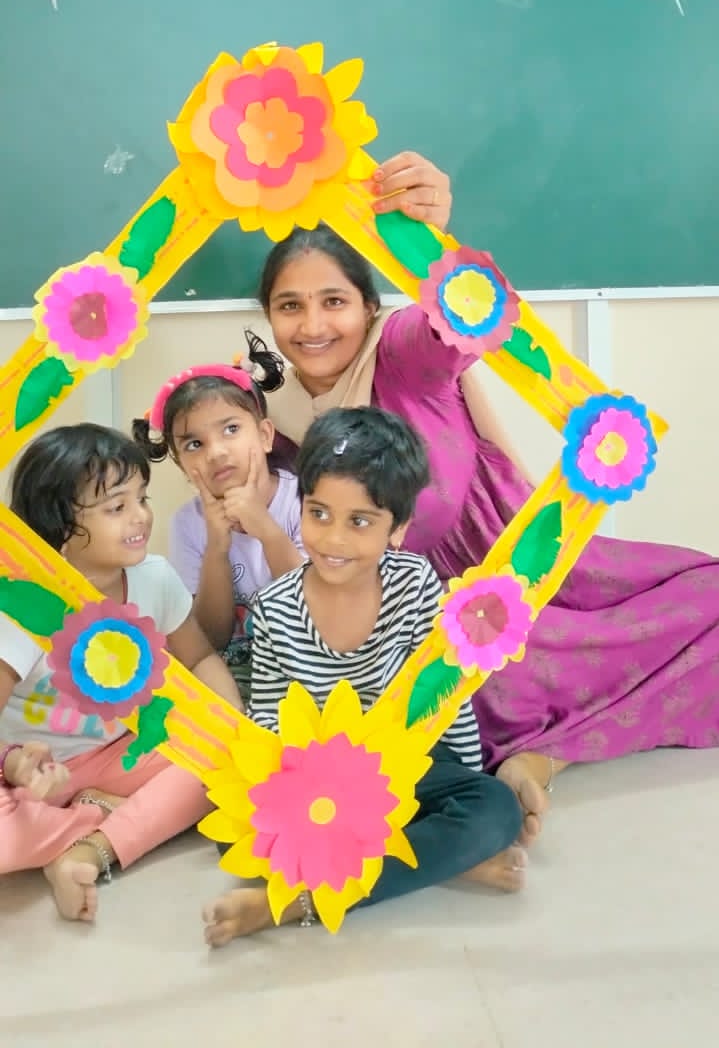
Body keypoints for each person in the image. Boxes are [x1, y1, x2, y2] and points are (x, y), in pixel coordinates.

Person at [254, 172, 719, 846]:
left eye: (334, 301)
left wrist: (432, 244)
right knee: (478, 699)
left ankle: (546, 755)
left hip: (528, 565)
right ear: (268, 317)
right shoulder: (278, 422)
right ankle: (542, 753)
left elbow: (452, 323)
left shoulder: (401, 352)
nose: (313, 326)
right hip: (434, 623)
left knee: (707, 597)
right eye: (289, 306)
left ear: (369, 306)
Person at [203, 407, 524, 946]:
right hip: (318, 785)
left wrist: (467, 776)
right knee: (234, 827)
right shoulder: (274, 607)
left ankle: (300, 899)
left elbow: (445, 696)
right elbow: (269, 721)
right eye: (319, 513)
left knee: (494, 809)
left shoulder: (415, 583)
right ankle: (440, 860)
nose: (333, 539)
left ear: (397, 528)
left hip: (404, 768)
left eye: (359, 521)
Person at [0, 423, 242, 924]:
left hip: (120, 753)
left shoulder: (154, 577)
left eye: (142, 499)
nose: (141, 517)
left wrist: (232, 727)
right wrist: (16, 766)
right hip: (27, 772)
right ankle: (101, 814)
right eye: (116, 507)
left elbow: (198, 658)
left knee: (223, 763)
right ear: (59, 526)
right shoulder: (23, 605)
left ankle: (90, 851)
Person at [133, 352, 303, 700]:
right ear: (181, 464)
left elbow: (314, 610)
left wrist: (266, 529)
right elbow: (211, 638)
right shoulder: (188, 523)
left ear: (265, 435)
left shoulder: (304, 500)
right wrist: (217, 547)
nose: (215, 452)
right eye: (194, 444)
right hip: (234, 671)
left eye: (231, 429)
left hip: (305, 663)